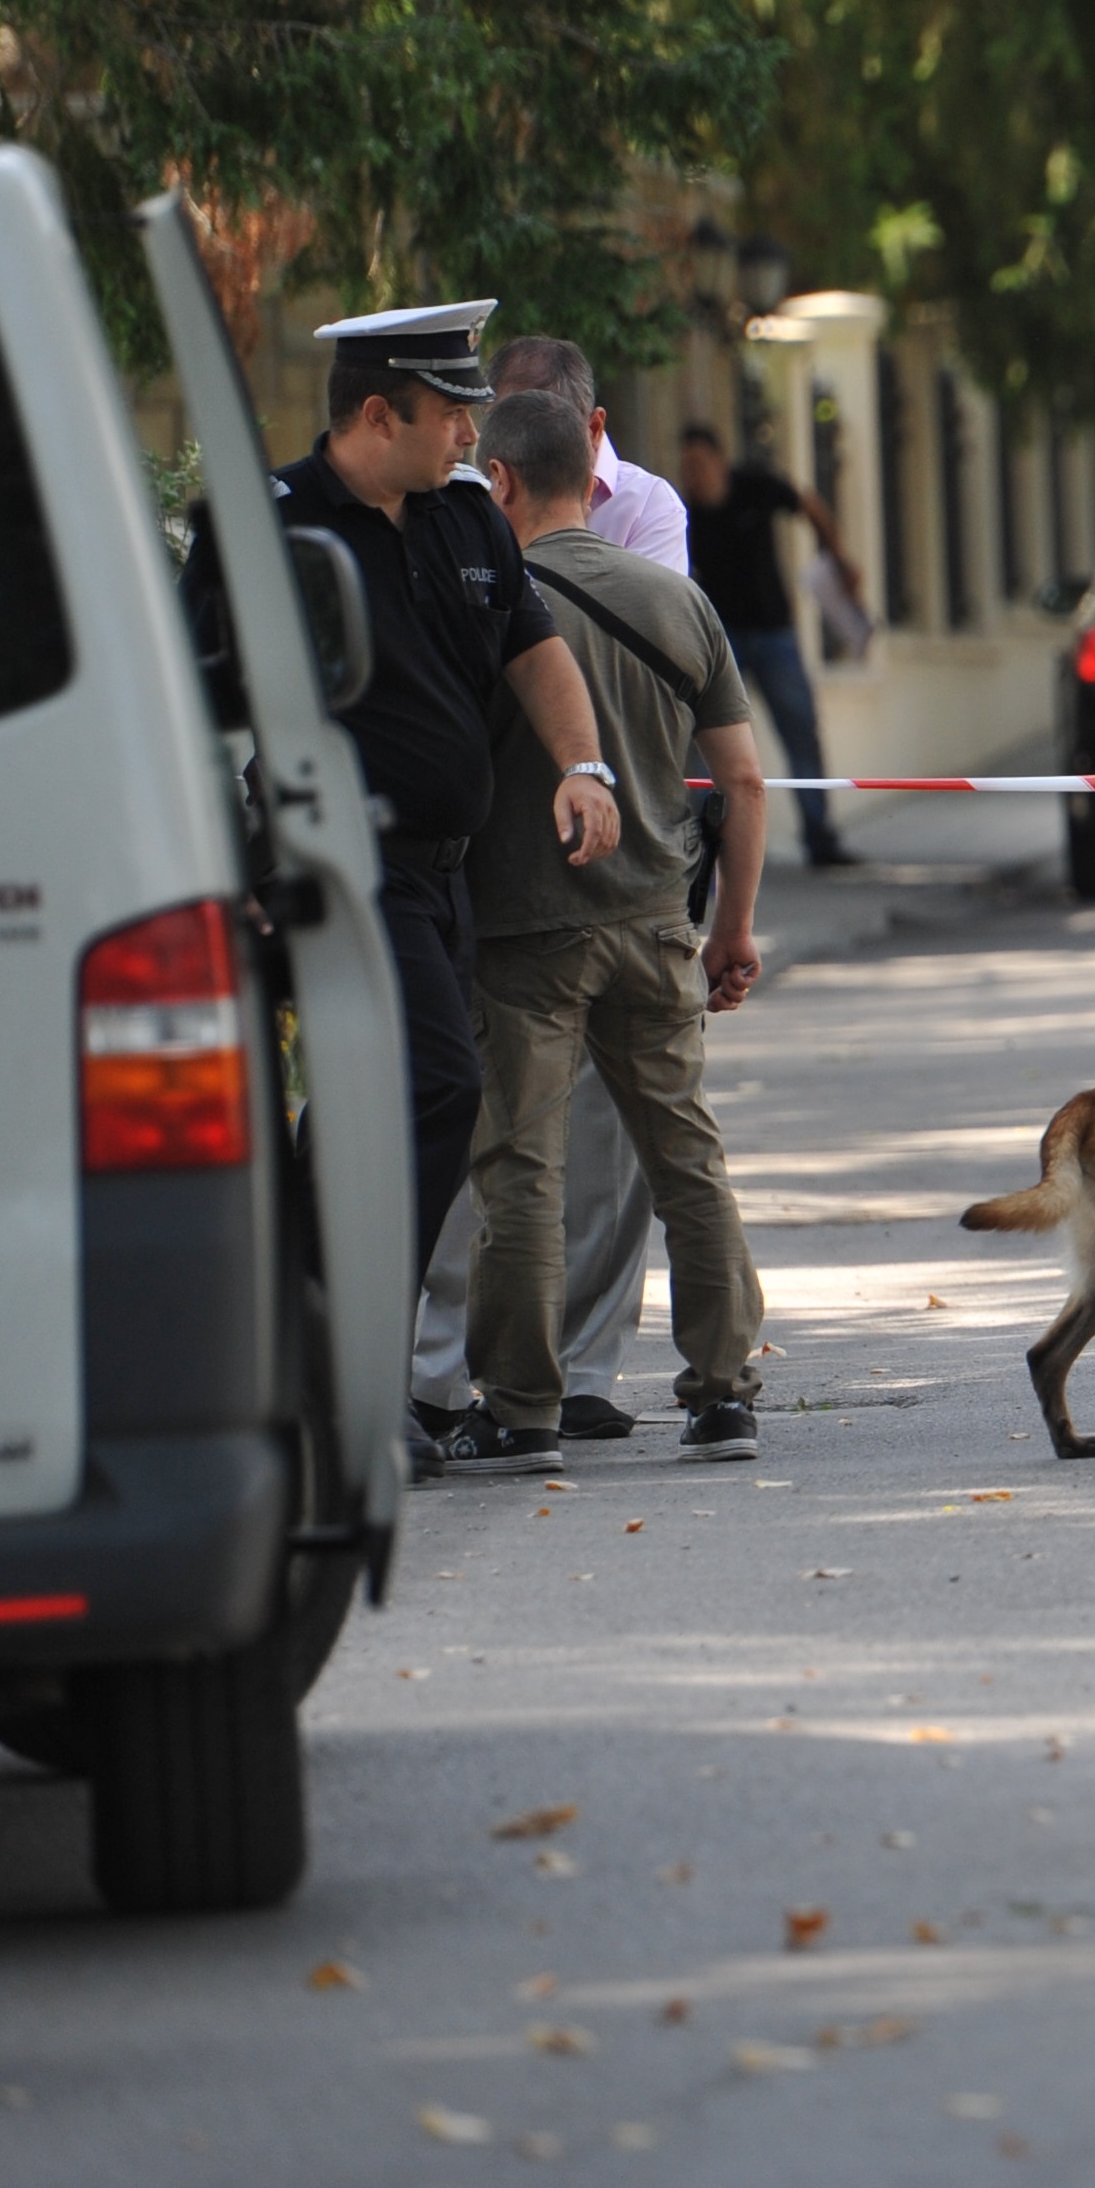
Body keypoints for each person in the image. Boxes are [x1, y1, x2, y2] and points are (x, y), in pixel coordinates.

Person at [183, 300, 620, 1479]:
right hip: (332, 868)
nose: (475, 432)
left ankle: (320, 1343)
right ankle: (349, 1371)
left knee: (388, 1100)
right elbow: (196, 702)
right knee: (434, 1084)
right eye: (454, 411)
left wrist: (582, 766)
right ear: (381, 413)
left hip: (441, 877)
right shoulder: (264, 526)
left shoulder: (466, 520)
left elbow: (534, 651)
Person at [434, 386, 772, 1474]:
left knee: (519, 1167)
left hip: (525, 932)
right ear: (595, 471)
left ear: (502, 481)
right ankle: (723, 1392)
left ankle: (523, 1407)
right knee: (685, 1153)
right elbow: (746, 780)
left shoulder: (487, 604)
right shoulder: (677, 600)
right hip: (654, 921)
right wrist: (733, 930)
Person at [407, 333, 695, 1446]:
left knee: (610, 1139)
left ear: (585, 430)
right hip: (495, 862)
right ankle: (455, 1374)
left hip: (624, 861)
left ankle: (577, 1374)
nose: (490, 449)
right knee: (494, 1130)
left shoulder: (651, 512)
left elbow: (631, 659)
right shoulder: (450, 510)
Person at [674, 421, 853, 868]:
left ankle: (820, 838)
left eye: (700, 464)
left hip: (775, 633)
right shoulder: (684, 512)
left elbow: (807, 504)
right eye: (687, 467)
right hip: (722, 642)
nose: (694, 475)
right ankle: (704, 849)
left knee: (801, 730)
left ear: (719, 460)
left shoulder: (755, 484)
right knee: (708, 742)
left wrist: (837, 556)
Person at [493, 334, 689, 566]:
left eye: (548, 434)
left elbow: (645, 601)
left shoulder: (649, 506)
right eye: (507, 430)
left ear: (594, 428)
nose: (526, 450)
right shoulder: (481, 497)